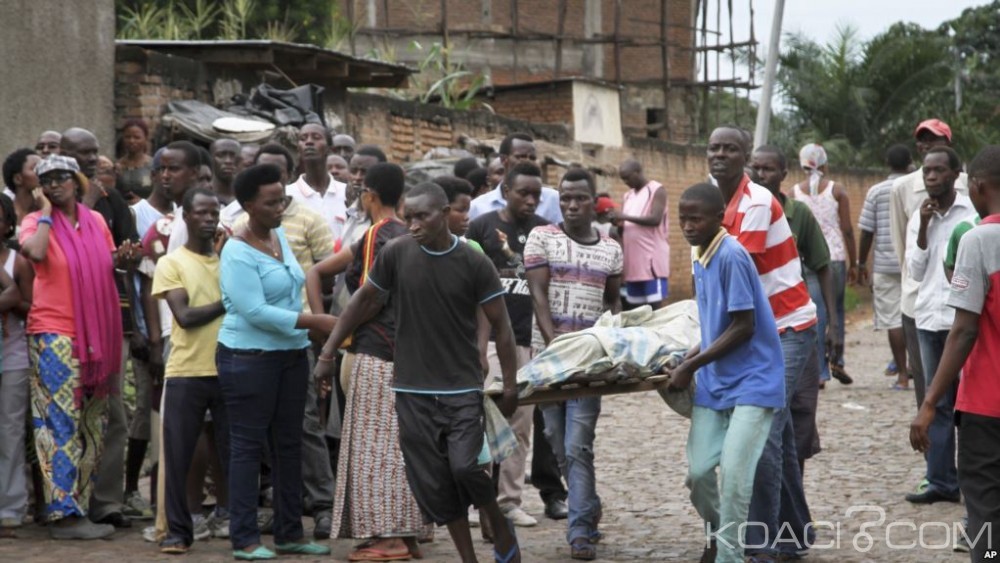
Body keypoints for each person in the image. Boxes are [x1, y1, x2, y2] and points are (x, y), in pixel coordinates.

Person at [315, 182, 521, 563]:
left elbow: (503, 327)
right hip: (411, 389)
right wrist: (328, 352)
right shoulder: (396, 253)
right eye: (408, 217)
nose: (412, 225)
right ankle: (469, 559)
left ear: (444, 215)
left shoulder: (475, 262)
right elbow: (364, 300)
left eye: (422, 217)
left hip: (460, 386)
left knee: (465, 467)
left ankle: (494, 515)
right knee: (436, 483)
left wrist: (510, 385)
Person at [707, 126, 822, 562]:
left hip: (787, 327)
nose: (720, 154)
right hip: (759, 328)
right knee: (781, 436)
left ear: (745, 160)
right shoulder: (715, 203)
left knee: (763, 431)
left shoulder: (754, 202)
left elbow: (737, 276)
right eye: (714, 148)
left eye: (730, 148)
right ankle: (795, 534)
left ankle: (761, 544)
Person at [309, 163, 427, 560]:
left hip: (378, 351)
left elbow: (367, 298)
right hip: (410, 353)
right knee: (400, 447)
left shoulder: (377, 234)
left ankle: (388, 537)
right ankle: (406, 533)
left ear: (370, 196)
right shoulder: (413, 234)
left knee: (375, 448)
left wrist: (330, 347)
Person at [217, 163, 334, 559]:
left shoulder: (279, 236)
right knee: (248, 446)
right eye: (270, 202)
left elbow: (294, 287)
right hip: (248, 358)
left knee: (290, 445)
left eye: (282, 199)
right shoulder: (236, 250)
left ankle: (289, 533)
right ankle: (245, 538)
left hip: (289, 354)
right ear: (248, 204)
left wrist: (307, 331)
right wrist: (314, 321)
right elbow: (254, 311)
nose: (279, 207)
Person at [671, 182, 784, 563]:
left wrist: (691, 366)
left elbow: (743, 326)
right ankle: (721, 535)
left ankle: (730, 556)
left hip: (754, 380)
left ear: (719, 218)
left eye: (695, 218)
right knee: (699, 474)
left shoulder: (732, 255)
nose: (687, 225)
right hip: (716, 382)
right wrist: (691, 354)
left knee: (735, 480)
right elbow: (712, 323)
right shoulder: (699, 254)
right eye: (683, 218)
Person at [20, 155, 123, 540]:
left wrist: (123, 258)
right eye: (46, 180)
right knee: (58, 423)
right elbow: (34, 252)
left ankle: (80, 505)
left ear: (77, 181)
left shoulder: (95, 221)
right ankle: (62, 514)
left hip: (95, 334)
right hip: (54, 333)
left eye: (63, 177)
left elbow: (101, 264)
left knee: (93, 422)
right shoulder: (35, 221)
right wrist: (45, 212)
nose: (55, 184)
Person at [525, 168, 623, 561]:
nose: (570, 204)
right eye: (565, 198)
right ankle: (589, 505)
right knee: (556, 442)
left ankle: (579, 530)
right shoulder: (542, 238)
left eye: (579, 198)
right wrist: (557, 347)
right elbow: (537, 294)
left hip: (590, 364)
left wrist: (609, 339)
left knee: (578, 444)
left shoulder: (610, 248)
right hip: (549, 362)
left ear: (593, 201)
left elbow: (613, 300)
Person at [910, 144, 1000, 562]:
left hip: (987, 404)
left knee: (985, 506)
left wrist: (929, 402)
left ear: (978, 187)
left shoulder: (979, 239)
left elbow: (964, 331)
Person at [61, 127, 140, 530]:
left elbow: (124, 261)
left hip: (110, 323)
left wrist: (127, 258)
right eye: (81, 153)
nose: (91, 160)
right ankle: (65, 503)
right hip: (61, 326)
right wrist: (85, 201)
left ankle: (105, 501)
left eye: (95, 152)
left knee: (113, 417)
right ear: (63, 155)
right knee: (66, 418)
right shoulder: (50, 205)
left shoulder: (113, 203)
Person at [467, 161, 551, 529]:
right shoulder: (482, 228)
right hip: (487, 341)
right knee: (481, 417)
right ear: (506, 192)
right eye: (524, 193)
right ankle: (476, 502)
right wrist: (477, 343)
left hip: (525, 341)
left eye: (537, 194)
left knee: (520, 422)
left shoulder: (545, 232)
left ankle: (509, 501)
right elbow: (471, 289)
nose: (531, 200)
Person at [750, 145, 837, 474]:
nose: (760, 175)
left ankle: (793, 493)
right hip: (758, 325)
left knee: (798, 408)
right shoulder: (741, 213)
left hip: (795, 321)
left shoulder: (798, 214)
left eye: (768, 169)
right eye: (755, 168)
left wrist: (833, 327)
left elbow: (822, 266)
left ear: (784, 175)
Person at [153, 188, 230, 555]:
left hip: (229, 370)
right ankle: (177, 533)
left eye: (213, 212)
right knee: (180, 455)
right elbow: (184, 317)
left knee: (232, 454)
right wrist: (229, 300)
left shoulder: (228, 262)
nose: (208, 218)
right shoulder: (173, 263)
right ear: (186, 216)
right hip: (186, 371)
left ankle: (237, 523)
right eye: (200, 212)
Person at [903, 147, 977, 506]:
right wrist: (923, 227)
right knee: (936, 402)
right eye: (926, 172)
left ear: (955, 174)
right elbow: (915, 271)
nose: (930, 177)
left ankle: (978, 481)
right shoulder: (921, 216)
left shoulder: (973, 212)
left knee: (974, 406)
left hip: (963, 322)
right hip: (929, 319)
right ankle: (941, 481)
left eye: (937, 171)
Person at [890, 119, 969, 415]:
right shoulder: (902, 188)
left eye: (935, 140)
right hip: (919, 301)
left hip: (959, 308)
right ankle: (935, 458)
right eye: (923, 141)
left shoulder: (971, 190)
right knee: (929, 393)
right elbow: (902, 244)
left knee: (964, 394)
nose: (927, 145)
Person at [791, 143, 856, 385]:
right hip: (835, 256)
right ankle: (837, 360)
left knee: (815, 311)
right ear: (825, 164)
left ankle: (819, 370)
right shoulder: (837, 190)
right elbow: (847, 229)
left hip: (805, 257)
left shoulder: (793, 192)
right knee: (835, 309)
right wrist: (856, 262)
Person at [857, 145, 913, 390]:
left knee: (893, 320)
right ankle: (917, 370)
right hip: (914, 262)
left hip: (885, 264)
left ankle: (901, 375)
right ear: (910, 163)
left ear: (887, 163)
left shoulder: (876, 191)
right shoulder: (916, 186)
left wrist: (860, 263)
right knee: (915, 317)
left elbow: (867, 231)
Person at [0, 193, 32, 536]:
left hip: (12, 356)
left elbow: (28, 305)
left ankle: (10, 506)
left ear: (9, 224)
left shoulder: (17, 262)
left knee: (9, 431)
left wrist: (9, 298)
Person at [469, 133, 562, 224]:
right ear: (503, 160)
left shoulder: (553, 200)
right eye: (521, 157)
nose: (528, 162)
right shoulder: (478, 207)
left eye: (532, 158)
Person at [616, 159, 670, 309]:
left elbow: (655, 219)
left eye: (627, 177)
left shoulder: (656, 190)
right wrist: (619, 223)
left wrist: (624, 217)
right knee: (637, 312)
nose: (625, 181)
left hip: (651, 263)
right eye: (623, 179)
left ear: (638, 173)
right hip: (633, 264)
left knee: (656, 310)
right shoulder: (627, 196)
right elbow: (626, 226)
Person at [288, 123, 348, 239]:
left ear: (329, 148)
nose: (309, 142)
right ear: (298, 149)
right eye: (303, 139)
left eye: (316, 137)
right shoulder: (288, 195)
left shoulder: (346, 192)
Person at [116, 119, 154, 200]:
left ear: (145, 138)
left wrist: (141, 203)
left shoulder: (153, 166)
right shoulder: (117, 167)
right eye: (127, 137)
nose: (131, 141)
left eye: (137, 137)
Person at [2, 148, 41, 225]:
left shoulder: (51, 211)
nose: (44, 172)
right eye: (36, 168)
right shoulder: (4, 215)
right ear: (18, 179)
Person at [209, 138, 241, 206]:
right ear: (211, 158)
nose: (228, 161)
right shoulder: (201, 195)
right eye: (221, 155)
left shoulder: (247, 197)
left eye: (233, 155)